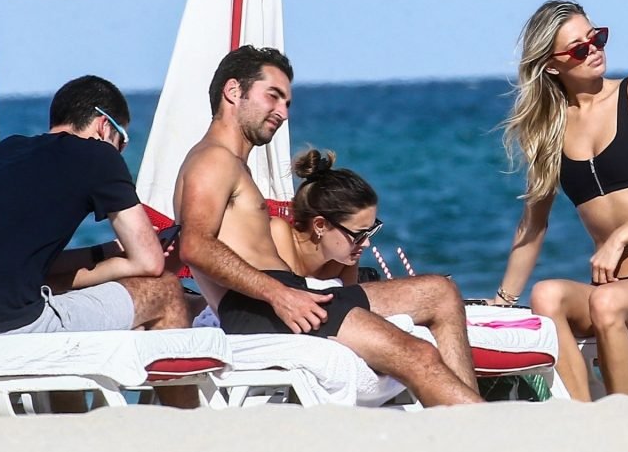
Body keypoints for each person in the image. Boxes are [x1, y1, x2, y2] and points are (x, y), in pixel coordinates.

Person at [174, 46, 482, 406]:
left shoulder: (231, 163)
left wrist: (288, 291)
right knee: (417, 355)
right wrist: (279, 295)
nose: (283, 112)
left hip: (287, 294)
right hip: (259, 308)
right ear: (233, 91)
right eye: (273, 96)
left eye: (287, 102)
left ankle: (478, 421)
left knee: (440, 293)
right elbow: (195, 245)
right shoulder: (213, 160)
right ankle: (482, 430)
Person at [0, 75, 194, 407]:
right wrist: (126, 264)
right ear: (103, 126)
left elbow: (34, 267)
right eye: (122, 140)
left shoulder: (4, 152)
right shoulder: (98, 155)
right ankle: (185, 421)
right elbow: (150, 262)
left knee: (59, 300)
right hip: (9, 332)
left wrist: (107, 253)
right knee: (165, 290)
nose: (121, 150)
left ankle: (72, 425)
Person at [491, 0, 628, 400]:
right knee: (546, 295)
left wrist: (618, 240)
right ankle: (585, 413)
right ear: (552, 65)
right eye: (579, 48)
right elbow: (533, 224)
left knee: (607, 302)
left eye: (597, 38)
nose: (593, 50)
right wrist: (503, 301)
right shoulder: (549, 129)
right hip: (614, 288)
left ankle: (620, 416)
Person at [270, 147, 479, 390]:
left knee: (444, 292)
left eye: (371, 230)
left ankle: (467, 402)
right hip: (278, 325)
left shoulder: (343, 258)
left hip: (322, 317)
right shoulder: (279, 235)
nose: (367, 243)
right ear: (320, 225)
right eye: (359, 234)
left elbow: (352, 310)